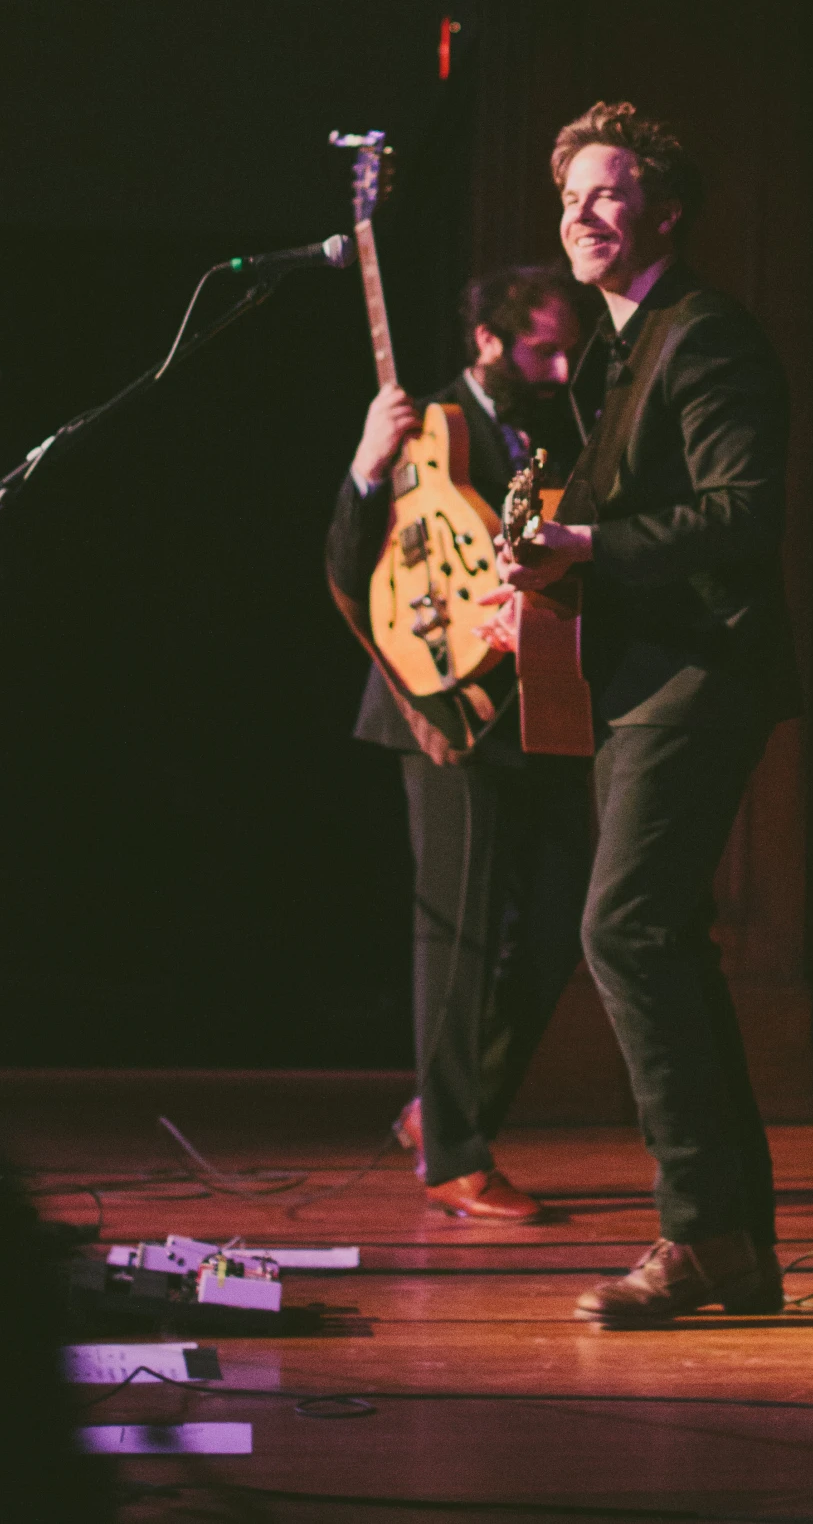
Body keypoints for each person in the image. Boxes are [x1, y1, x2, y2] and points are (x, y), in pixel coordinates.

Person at [482, 103, 800, 1323]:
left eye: (607, 194)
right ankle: (736, 1246)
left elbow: (742, 514)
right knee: (659, 942)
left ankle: (698, 1235)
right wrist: (546, 583)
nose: (580, 214)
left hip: (697, 675)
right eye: (569, 196)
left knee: (621, 933)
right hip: (638, 676)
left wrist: (584, 541)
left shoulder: (705, 336)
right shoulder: (621, 343)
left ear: (663, 209)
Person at [326, 268, 589, 1223]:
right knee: (460, 927)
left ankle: (434, 1111)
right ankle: (455, 1154)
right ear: (486, 340)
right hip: (434, 705)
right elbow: (354, 562)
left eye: (568, 349)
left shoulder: (557, 425)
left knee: (563, 925)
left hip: (538, 703)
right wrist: (364, 461)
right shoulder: (424, 425)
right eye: (541, 350)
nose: (560, 367)